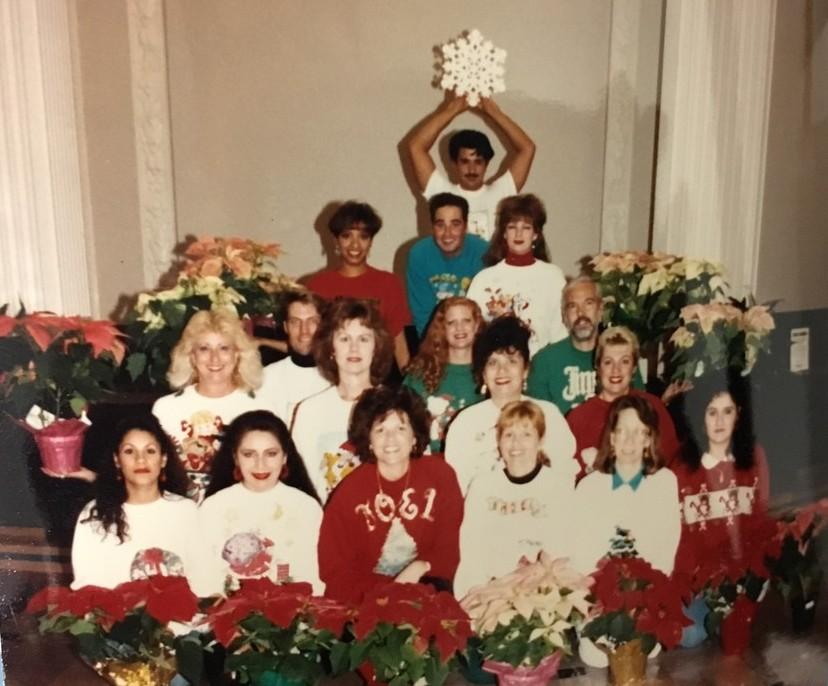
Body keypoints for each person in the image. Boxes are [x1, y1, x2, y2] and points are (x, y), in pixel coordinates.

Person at [318, 386, 463, 604]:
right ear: (368, 440)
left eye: (401, 429)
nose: (391, 439)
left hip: (430, 594)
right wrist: (389, 593)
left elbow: (450, 549)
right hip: (366, 602)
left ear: (414, 436)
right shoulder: (349, 493)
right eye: (380, 430)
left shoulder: (440, 476)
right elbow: (335, 571)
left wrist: (421, 567)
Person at [454, 400, 576, 598]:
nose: (516, 444)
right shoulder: (482, 487)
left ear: (540, 440)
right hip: (492, 588)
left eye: (526, 435)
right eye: (509, 435)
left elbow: (564, 547)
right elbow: (471, 550)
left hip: (544, 589)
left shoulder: (558, 486)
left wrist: (533, 579)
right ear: (499, 441)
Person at [195, 411, 323, 596]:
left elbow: (313, 578)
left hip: (292, 609)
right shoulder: (214, 507)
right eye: (249, 454)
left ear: (285, 456)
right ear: (235, 457)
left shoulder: (306, 508)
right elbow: (203, 576)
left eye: (271, 454)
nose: (260, 465)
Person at [444, 316, 577, 495]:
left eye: (512, 361)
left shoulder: (548, 415)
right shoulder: (466, 423)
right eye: (493, 363)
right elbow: (457, 486)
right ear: (483, 373)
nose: (502, 370)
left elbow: (565, 476)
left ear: (525, 370)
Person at [70, 414, 197, 589]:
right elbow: (87, 584)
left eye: (150, 451)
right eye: (129, 451)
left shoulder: (186, 511)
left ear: (163, 459)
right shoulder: (94, 514)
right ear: (117, 460)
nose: (140, 459)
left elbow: (202, 578)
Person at [152, 309, 264, 502]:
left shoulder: (260, 407)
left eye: (224, 348)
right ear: (191, 356)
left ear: (237, 354)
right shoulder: (166, 408)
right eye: (204, 348)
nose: (214, 358)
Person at [291, 298, 393, 503]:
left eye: (363, 339)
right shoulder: (309, 411)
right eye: (344, 339)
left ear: (376, 347)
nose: (354, 348)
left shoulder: (396, 406)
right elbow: (300, 482)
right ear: (331, 347)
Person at [571, 394, 681, 577]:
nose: (629, 440)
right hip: (598, 585)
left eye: (638, 431)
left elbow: (666, 550)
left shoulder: (664, 483)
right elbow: (581, 554)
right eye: (622, 431)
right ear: (612, 438)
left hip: (650, 584)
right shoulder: (588, 487)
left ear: (648, 439)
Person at [673, 371, 770, 575]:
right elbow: (677, 537)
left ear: (738, 414)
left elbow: (761, 520)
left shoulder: (754, 458)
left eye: (727, 412)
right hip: (696, 578)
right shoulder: (681, 467)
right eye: (712, 412)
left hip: (745, 576)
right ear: (701, 416)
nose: (719, 421)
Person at [407, 95, 536, 240]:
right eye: (465, 161)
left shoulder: (501, 194)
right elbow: (415, 146)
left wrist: (494, 112)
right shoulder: (441, 194)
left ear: (486, 164)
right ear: (454, 163)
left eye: (478, 162)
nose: (472, 169)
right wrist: (452, 110)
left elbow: (527, 148)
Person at [306, 201, 411, 370]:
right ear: (336, 241)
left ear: (371, 241)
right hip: (330, 376)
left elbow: (399, 342)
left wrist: (409, 381)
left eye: (363, 236)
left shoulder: (389, 283)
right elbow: (311, 344)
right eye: (346, 236)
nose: (355, 245)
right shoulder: (318, 285)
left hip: (378, 376)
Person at [566, 326, 679, 477]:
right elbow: (568, 476)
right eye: (608, 362)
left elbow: (674, 464)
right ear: (598, 367)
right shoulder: (578, 418)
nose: (616, 370)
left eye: (624, 362)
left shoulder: (653, 407)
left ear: (634, 368)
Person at [466, 194, 567, 356]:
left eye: (526, 228)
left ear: (536, 234)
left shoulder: (553, 277)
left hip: (542, 364)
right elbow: (473, 332)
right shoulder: (483, 279)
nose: (518, 234)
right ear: (504, 233)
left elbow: (560, 334)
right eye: (512, 227)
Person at [527, 276, 644, 415]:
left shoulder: (621, 356)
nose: (580, 313)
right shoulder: (544, 361)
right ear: (564, 316)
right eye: (572, 306)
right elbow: (538, 420)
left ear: (600, 310)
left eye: (588, 303)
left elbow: (641, 410)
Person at [403, 297, 483, 453]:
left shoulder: (490, 373)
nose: (459, 328)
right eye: (451, 323)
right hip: (429, 460)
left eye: (466, 321)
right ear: (442, 328)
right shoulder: (420, 374)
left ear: (476, 325)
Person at [406, 193, 487, 335]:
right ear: (432, 227)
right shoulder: (419, 255)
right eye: (440, 225)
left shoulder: (484, 252)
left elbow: (485, 312)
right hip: (436, 337)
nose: (447, 234)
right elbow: (423, 317)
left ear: (465, 226)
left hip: (476, 336)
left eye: (455, 224)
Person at [257, 290, 330, 425]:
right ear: (286, 327)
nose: (304, 331)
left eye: (312, 322)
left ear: (324, 325)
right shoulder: (266, 378)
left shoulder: (340, 376)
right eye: (295, 322)